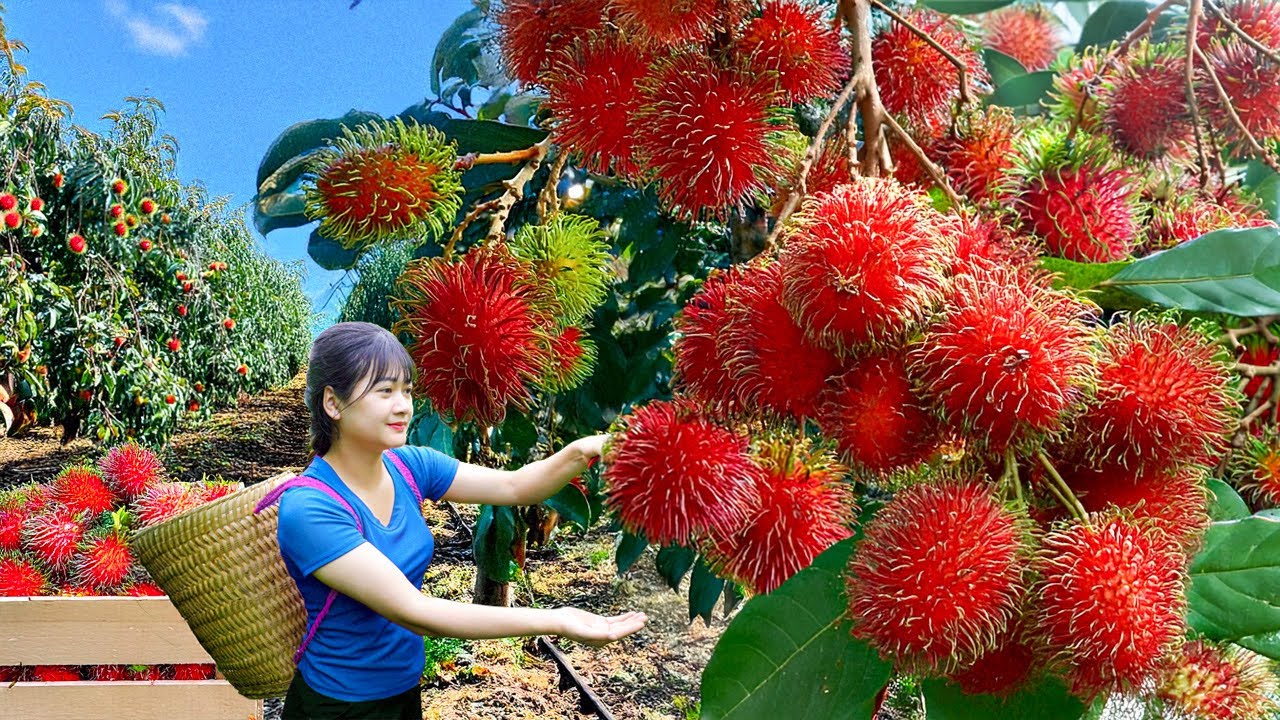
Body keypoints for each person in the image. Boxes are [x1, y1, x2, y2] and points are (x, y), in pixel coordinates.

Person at [278, 321, 647, 719]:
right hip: (338, 707)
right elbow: (415, 611)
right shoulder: (310, 509)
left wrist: (582, 451)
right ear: (333, 403)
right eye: (384, 391)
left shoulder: (411, 466)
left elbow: (516, 487)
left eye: (407, 390)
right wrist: (557, 619)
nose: (403, 405)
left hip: (402, 691)